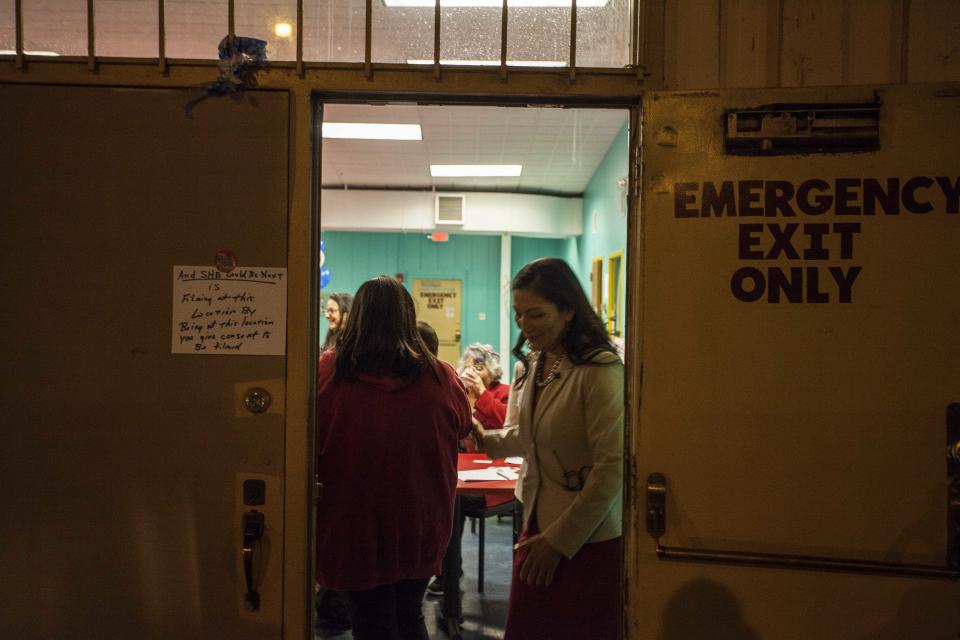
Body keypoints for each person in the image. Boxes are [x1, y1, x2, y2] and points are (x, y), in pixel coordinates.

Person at [473, 257, 624, 640]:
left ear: (569, 310)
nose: (524, 324)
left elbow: (612, 469)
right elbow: (526, 437)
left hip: (584, 537)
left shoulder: (599, 371)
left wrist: (560, 540)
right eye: (518, 314)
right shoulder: (534, 365)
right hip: (535, 521)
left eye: (536, 314)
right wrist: (479, 436)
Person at [315, 276, 472, 640]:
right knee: (409, 613)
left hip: (353, 522)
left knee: (369, 621)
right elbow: (463, 425)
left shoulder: (329, 372)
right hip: (421, 518)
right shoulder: (439, 375)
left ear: (358, 318)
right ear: (407, 317)